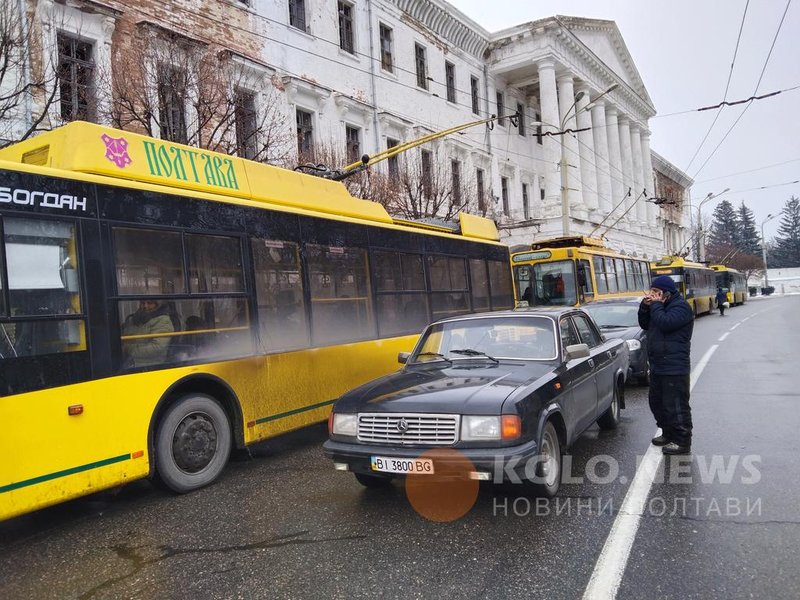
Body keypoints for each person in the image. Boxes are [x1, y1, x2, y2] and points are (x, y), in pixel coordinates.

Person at [638, 275, 694, 455]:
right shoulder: (658, 306)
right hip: (658, 365)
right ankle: (668, 433)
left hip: (674, 366)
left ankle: (682, 441)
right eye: (652, 291)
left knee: (676, 405)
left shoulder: (681, 307)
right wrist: (645, 307)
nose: (652, 294)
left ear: (666, 293)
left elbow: (665, 323)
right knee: (657, 403)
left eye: (656, 292)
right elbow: (645, 324)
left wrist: (655, 305)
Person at [121, 299, 175, 367]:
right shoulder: (134, 319)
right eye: (143, 303)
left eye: (149, 303)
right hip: (129, 361)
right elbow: (124, 337)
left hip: (150, 364)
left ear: (158, 305)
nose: (145, 306)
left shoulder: (163, 320)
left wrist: (129, 350)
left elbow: (157, 347)